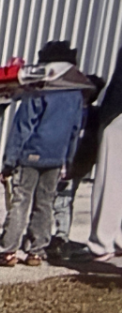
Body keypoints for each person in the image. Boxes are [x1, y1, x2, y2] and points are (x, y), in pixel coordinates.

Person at [0, 41, 85, 267]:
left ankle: (8, 250)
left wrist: (9, 161)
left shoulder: (39, 89)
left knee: (21, 201)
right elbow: (74, 131)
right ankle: (37, 251)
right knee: (45, 203)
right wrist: (69, 161)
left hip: (31, 152)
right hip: (57, 156)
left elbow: (23, 126)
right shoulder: (75, 94)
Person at [50, 74, 106, 260]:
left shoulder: (93, 116)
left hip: (77, 162)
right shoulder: (73, 110)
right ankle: (56, 234)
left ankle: (61, 236)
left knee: (63, 199)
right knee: (56, 197)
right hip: (67, 160)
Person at [83, 46, 122, 262]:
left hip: (118, 115)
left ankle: (102, 243)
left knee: (110, 180)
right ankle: (118, 239)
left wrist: (105, 116)